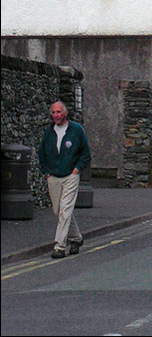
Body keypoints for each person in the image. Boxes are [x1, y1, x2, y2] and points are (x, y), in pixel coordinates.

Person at [38, 100, 91, 259]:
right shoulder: (49, 132)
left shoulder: (76, 130)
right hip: (53, 176)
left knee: (65, 210)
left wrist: (77, 169)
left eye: (59, 112)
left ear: (65, 113)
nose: (56, 115)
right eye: (53, 112)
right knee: (58, 211)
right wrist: (46, 171)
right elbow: (41, 153)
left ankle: (59, 246)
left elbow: (85, 153)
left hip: (70, 176)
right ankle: (76, 238)